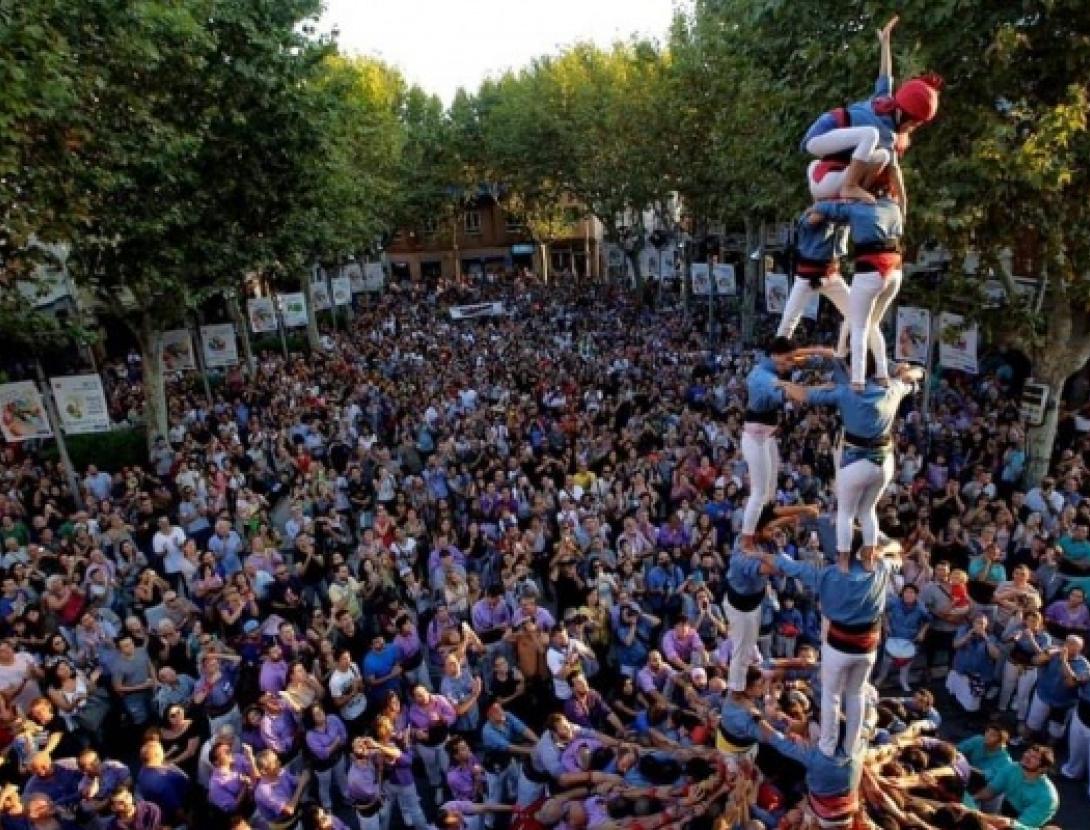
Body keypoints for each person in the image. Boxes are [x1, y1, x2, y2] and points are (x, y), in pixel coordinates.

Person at [781, 361, 923, 557]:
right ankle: (866, 557)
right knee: (867, 512)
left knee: (847, 515)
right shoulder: (892, 387)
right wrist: (904, 371)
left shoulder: (845, 391)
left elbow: (803, 394)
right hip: (883, 461)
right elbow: (917, 374)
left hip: (857, 459)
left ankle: (844, 560)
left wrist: (782, 384)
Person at [801, 16, 942, 206]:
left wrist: (885, 44)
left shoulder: (884, 100)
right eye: (914, 124)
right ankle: (849, 187)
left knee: (879, 155)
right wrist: (903, 203)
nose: (912, 129)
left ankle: (829, 200)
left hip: (831, 148)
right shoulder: (887, 133)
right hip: (822, 134)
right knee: (870, 134)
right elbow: (895, 173)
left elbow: (885, 74)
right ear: (907, 117)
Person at [803, 196, 906, 391]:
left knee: (859, 327)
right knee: (873, 324)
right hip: (895, 270)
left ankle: (857, 380)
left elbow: (826, 208)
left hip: (870, 269)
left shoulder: (856, 207)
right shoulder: (895, 206)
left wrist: (814, 208)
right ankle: (882, 374)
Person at [968, 744, 1059, 830]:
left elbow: (1016, 826)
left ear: (1043, 768)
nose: (1027, 756)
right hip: (1003, 814)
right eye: (1028, 752)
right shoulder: (1013, 767)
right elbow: (991, 790)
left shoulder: (1047, 798)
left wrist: (977, 815)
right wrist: (972, 799)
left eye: (1034, 757)